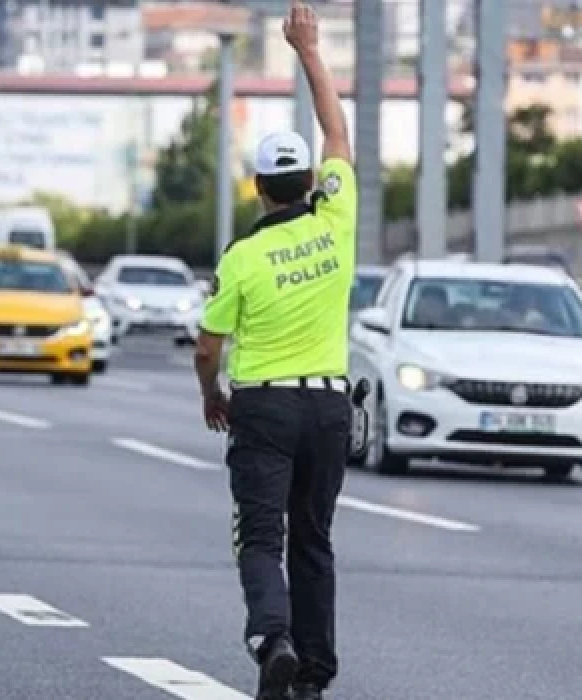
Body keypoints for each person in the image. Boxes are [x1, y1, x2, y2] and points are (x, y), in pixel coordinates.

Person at [192, 4, 355, 699]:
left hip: (263, 409)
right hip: (329, 407)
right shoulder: (338, 219)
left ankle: (273, 639)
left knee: (261, 538)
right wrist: (308, 50)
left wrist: (212, 395)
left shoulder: (244, 256)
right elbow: (337, 129)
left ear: (258, 189)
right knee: (313, 540)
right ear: (310, 180)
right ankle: (312, 675)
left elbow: (208, 347)